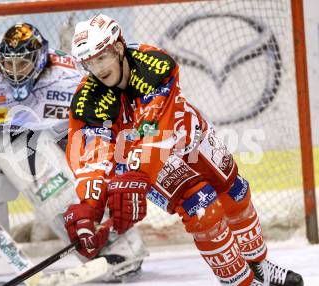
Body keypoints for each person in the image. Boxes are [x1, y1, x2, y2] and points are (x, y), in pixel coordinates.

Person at [63, 14, 304, 286]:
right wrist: (89, 205)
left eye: (101, 57)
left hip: (184, 134)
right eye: (90, 62)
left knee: (235, 191)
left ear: (118, 47)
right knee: (202, 209)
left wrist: (133, 176)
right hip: (143, 156)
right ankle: (242, 283)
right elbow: (92, 155)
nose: (97, 69)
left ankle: (259, 267)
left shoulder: (153, 64)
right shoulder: (88, 98)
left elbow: (154, 128)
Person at [0, 23, 147, 286]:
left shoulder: (71, 76)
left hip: (60, 154)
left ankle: (109, 243)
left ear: (40, 59)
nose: (15, 71)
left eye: (23, 63)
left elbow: (118, 113)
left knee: (32, 154)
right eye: (9, 63)